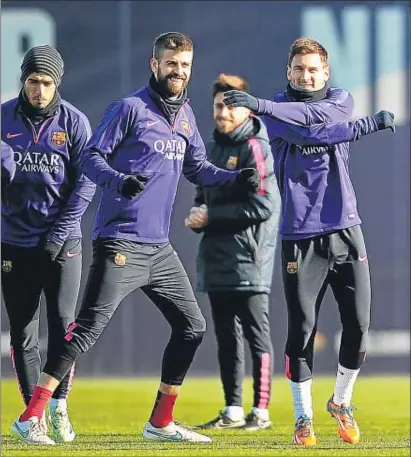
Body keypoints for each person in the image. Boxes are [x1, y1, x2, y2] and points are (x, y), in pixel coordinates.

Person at [11, 32, 261, 445]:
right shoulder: (129, 109)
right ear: (154, 65)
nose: (177, 71)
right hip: (120, 242)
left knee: (192, 327)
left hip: (159, 250)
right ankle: (31, 415)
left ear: (190, 68)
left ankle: (160, 423)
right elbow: (92, 157)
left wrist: (238, 179)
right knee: (87, 330)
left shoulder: (184, 117)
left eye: (183, 65)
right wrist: (119, 181)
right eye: (170, 63)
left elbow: (199, 169)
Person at [223, 37, 395, 446]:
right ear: (289, 72)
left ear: (326, 73)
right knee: (301, 331)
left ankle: (341, 401)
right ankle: (303, 418)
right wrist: (366, 126)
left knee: (359, 324)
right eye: (299, 69)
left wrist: (259, 104)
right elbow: (306, 131)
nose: (306, 76)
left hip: (345, 228)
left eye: (313, 69)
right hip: (300, 235)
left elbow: (328, 123)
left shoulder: (340, 99)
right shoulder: (279, 111)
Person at [1, 45, 96, 444]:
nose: (39, 90)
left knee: (63, 326)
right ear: (23, 80)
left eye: (47, 82)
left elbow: (87, 181)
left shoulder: (73, 121)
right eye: (33, 81)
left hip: (62, 241)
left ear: (57, 83)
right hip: (14, 243)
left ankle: (58, 409)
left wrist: (59, 234)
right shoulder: (3, 117)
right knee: (23, 332)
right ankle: (32, 417)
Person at [185, 73, 280, 431]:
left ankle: (262, 412)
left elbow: (263, 207)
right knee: (226, 337)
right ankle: (233, 410)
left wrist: (212, 216)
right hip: (217, 257)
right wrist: (198, 213)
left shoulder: (255, 146)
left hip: (249, 259)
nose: (222, 112)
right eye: (217, 106)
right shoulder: (211, 148)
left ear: (244, 109)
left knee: (257, 336)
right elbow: (203, 194)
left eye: (229, 106)